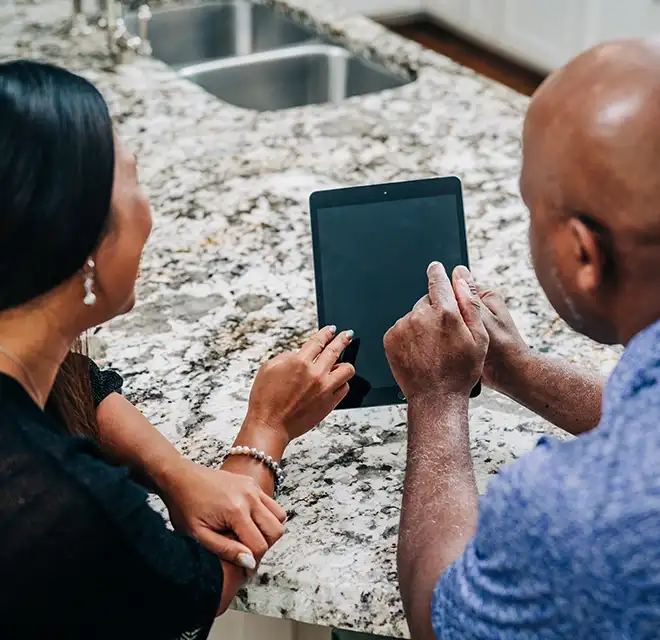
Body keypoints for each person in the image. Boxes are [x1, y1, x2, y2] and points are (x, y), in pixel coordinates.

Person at [0, 60, 355, 639]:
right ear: (86, 242)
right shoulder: (66, 500)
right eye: (135, 180)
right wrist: (266, 429)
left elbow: (75, 379)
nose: (150, 213)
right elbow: (193, 585)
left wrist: (175, 472)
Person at [384, 37, 660, 639]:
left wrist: (436, 397)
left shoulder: (577, 513)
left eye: (531, 208)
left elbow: (441, 617)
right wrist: (518, 369)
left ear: (583, 255)